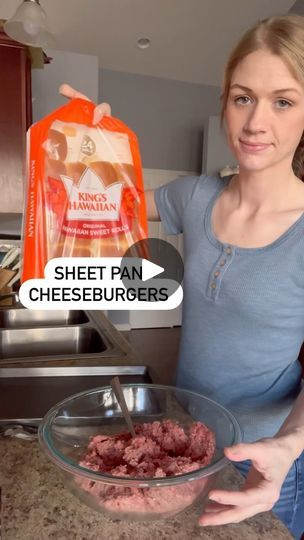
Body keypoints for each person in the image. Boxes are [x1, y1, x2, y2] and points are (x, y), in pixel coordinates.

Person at [59, 13, 304, 538]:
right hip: (185, 440)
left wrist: (289, 443)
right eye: (243, 98)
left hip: (265, 459)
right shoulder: (195, 197)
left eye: (283, 101)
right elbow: (106, 205)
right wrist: (94, 150)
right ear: (225, 104)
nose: (256, 122)